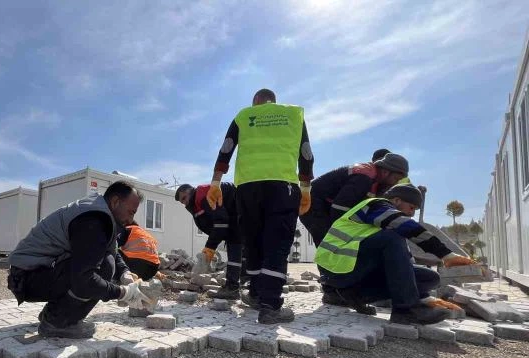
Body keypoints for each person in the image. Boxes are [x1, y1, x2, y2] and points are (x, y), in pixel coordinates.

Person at [208, 88, 314, 323]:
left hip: (247, 188)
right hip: (282, 186)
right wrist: (306, 187)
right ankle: (270, 305)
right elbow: (305, 153)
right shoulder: (293, 115)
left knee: (253, 241)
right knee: (277, 243)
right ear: (272, 101)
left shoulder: (244, 115)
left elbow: (226, 148)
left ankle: (256, 294)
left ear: (256, 102)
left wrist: (215, 181)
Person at [7, 181, 153, 338]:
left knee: (106, 260)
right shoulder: (93, 219)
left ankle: (53, 314)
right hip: (26, 278)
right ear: (115, 202)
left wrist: (125, 274)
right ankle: (57, 323)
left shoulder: (99, 212)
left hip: (34, 274)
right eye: (131, 212)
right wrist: (122, 293)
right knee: (104, 266)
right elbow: (84, 279)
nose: (131, 220)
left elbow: (111, 250)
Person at [315, 184, 477, 324]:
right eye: (411, 207)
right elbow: (406, 226)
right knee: (394, 235)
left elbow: (404, 265)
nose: (412, 213)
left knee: (430, 278)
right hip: (335, 270)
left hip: (354, 275)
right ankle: (405, 311)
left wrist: (424, 297)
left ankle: (346, 296)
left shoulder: (388, 231)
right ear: (396, 201)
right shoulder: (377, 206)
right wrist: (445, 254)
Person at [300, 152, 409, 246]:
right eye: (395, 178)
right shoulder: (364, 178)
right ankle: (329, 269)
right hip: (313, 203)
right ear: (386, 172)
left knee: (334, 241)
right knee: (328, 243)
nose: (395, 183)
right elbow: (339, 208)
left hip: (324, 205)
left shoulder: (375, 181)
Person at [175, 182, 243, 299]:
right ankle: (235, 287)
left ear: (190, 191)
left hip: (240, 214)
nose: (184, 203)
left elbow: (220, 223)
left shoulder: (203, 196)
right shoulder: (197, 204)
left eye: (184, 198)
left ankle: (235, 287)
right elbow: (215, 226)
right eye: (182, 202)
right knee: (235, 249)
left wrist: (209, 249)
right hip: (234, 219)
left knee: (239, 248)